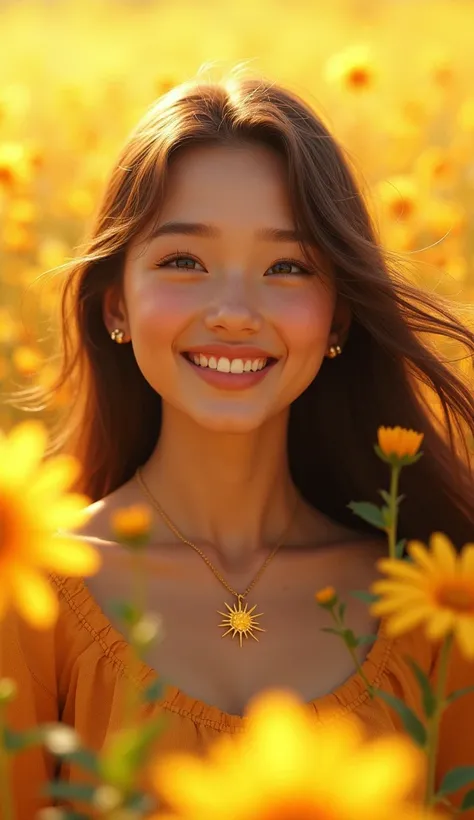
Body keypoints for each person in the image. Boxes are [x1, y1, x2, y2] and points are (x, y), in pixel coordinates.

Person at [5, 67, 474, 818]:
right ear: (115, 302)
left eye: (287, 267)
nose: (232, 312)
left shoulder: (433, 608)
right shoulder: (28, 605)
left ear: (339, 318)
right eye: (183, 261)